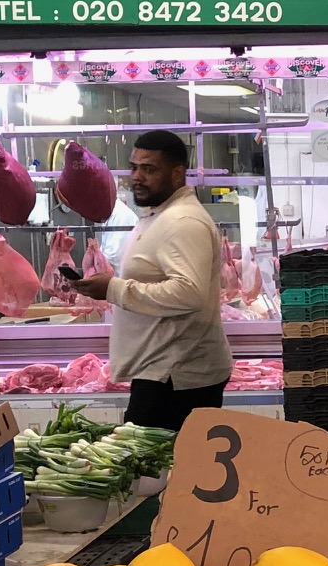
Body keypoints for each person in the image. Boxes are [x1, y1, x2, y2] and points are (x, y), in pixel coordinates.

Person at [71, 130, 232, 429]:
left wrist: (113, 289)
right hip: (162, 371)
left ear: (177, 173)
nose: (137, 177)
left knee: (160, 458)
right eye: (134, 167)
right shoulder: (160, 215)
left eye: (149, 169)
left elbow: (189, 292)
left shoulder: (183, 221)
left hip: (177, 378)